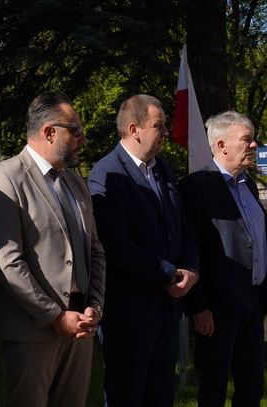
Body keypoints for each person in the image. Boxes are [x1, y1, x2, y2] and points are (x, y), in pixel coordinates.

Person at [0, 92, 105, 407]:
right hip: (30, 330)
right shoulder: (3, 178)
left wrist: (95, 306)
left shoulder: (76, 183)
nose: (82, 139)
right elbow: (8, 263)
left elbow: (95, 251)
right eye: (75, 130)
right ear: (49, 132)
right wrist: (54, 316)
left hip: (80, 325)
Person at [87, 94, 199, 406]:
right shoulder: (108, 173)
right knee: (127, 396)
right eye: (158, 126)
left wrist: (191, 270)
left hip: (166, 312)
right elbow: (116, 244)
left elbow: (183, 226)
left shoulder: (162, 169)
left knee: (161, 396)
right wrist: (167, 273)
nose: (165, 132)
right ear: (134, 129)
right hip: (130, 315)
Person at [178, 111, 267, 407]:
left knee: (252, 387)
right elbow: (191, 248)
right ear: (222, 145)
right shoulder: (196, 187)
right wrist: (199, 307)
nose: (254, 145)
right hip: (216, 310)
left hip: (252, 305)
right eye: (246, 139)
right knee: (213, 390)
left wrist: (265, 298)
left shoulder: (248, 185)